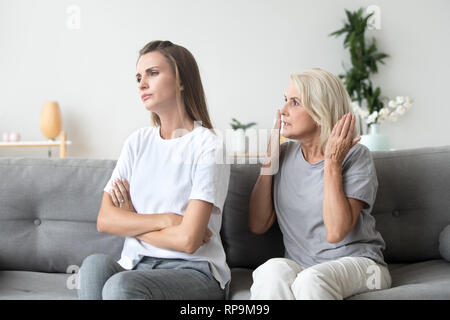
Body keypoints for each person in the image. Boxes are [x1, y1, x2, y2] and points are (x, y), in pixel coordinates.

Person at [78, 40, 230, 300]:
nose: (142, 84)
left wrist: (132, 221)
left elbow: (188, 241)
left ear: (182, 80)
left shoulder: (208, 145)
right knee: (93, 265)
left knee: (121, 287)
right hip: (137, 264)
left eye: (153, 73)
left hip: (193, 271)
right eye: (139, 77)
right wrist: (168, 219)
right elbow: (105, 220)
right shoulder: (138, 142)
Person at [248, 68, 391, 300]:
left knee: (312, 279)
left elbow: (335, 232)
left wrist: (332, 163)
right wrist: (269, 162)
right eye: (285, 100)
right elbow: (257, 225)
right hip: (302, 266)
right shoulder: (283, 155)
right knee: (271, 271)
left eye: (294, 103)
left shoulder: (356, 156)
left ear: (320, 111)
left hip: (363, 266)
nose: (282, 111)